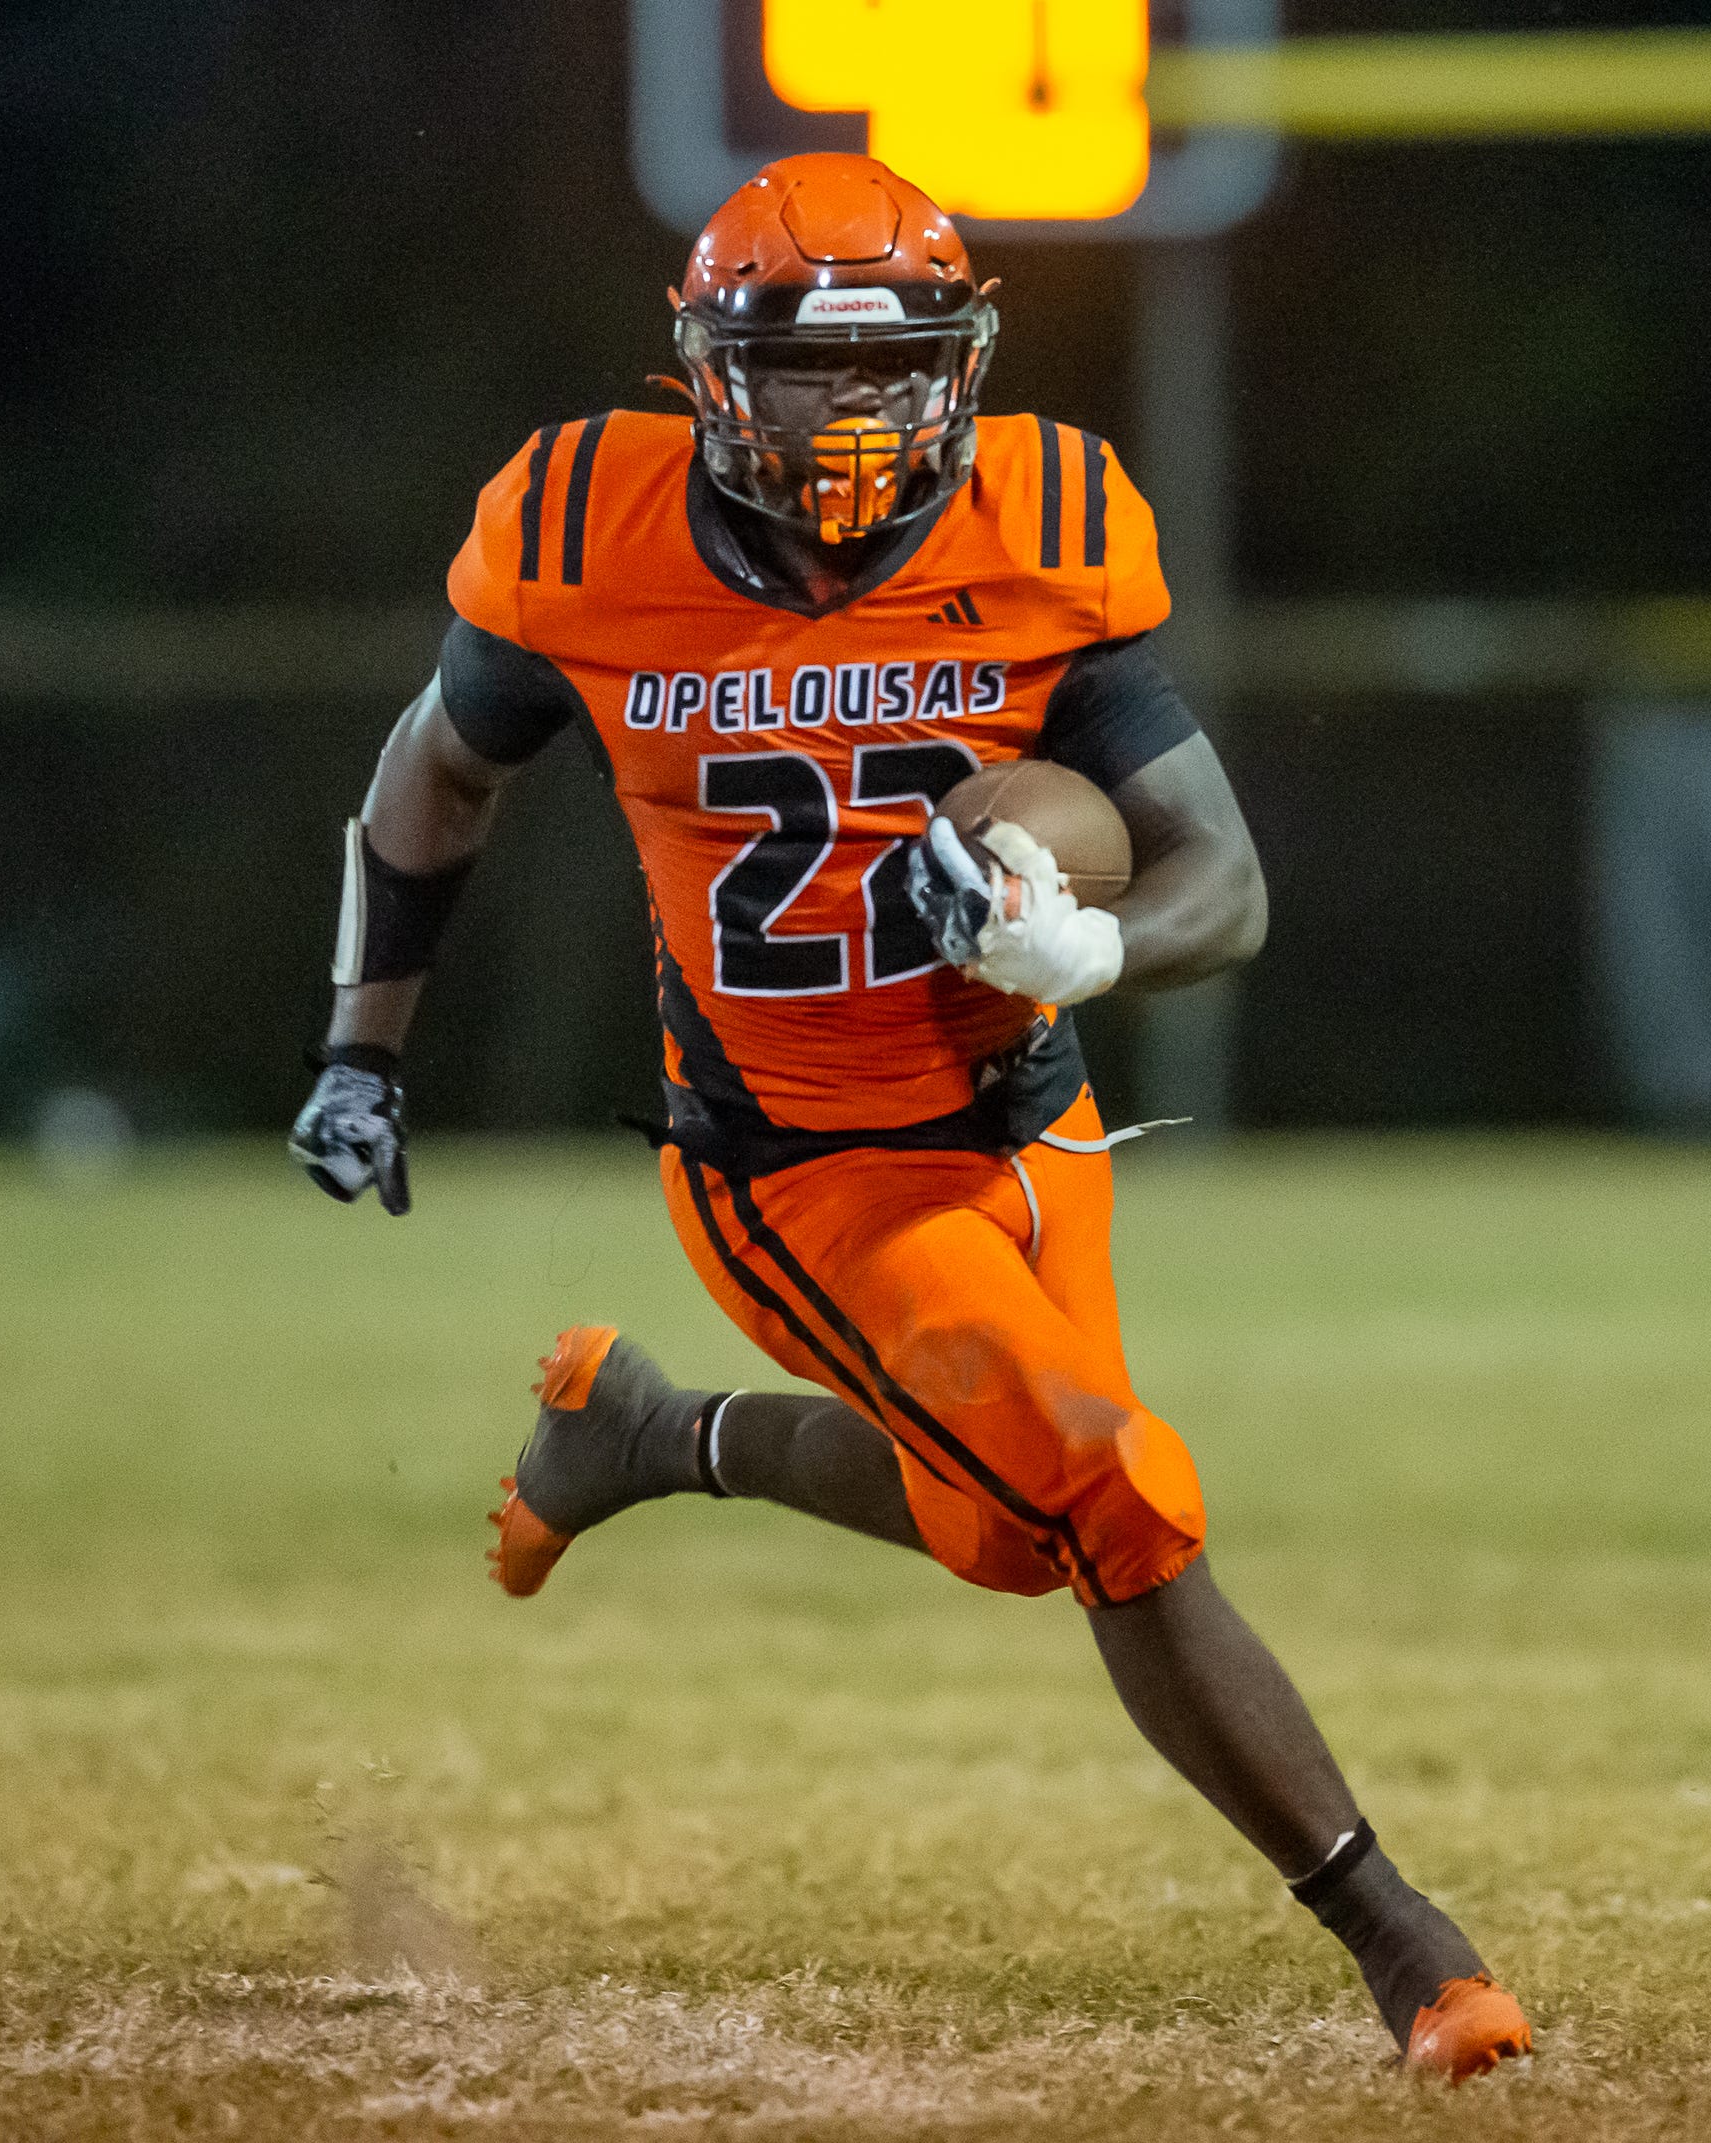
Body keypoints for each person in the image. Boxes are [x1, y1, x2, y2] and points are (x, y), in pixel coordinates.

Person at [290, 154, 1528, 2079]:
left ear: (965, 369)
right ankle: (1405, 1945)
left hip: (1032, 1117)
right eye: (801, 371)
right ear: (706, 375)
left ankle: (651, 1435)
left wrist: (1089, 953)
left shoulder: (1043, 521)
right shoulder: (584, 535)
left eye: (893, 370)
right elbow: (435, 773)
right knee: (1115, 1491)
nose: (853, 416)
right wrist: (362, 1050)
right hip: (803, 1164)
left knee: (1013, 1530)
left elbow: (1226, 875)